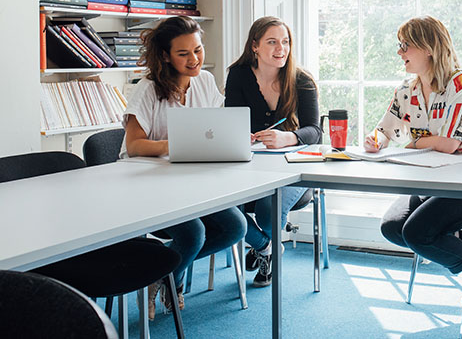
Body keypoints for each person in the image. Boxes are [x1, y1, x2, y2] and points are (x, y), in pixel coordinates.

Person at [365, 16, 462, 312]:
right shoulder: (406, 90)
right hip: (436, 180)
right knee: (392, 228)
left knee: (417, 233)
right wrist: (375, 140)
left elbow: (451, 144)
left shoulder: (461, 85)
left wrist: (416, 142)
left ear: (427, 48)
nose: (399, 52)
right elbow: (385, 130)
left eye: (405, 45)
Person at [123, 16, 247, 319]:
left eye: (198, 50)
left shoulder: (204, 80)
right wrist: (176, 143)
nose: (194, 59)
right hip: (148, 185)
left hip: (191, 181)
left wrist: (234, 136)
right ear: (166, 56)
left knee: (235, 227)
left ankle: (164, 275)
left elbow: (213, 128)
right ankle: (166, 277)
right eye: (183, 53)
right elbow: (134, 146)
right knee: (193, 234)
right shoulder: (148, 89)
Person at [225, 16, 322, 287]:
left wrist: (289, 137)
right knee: (221, 207)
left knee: (268, 211)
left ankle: (264, 247)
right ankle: (266, 247)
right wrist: (241, 134)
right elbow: (231, 121)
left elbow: (315, 131)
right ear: (255, 46)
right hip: (249, 166)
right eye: (272, 42)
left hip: (295, 167)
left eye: (285, 42)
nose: (281, 49)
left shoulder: (301, 80)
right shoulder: (238, 75)